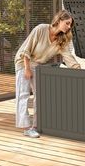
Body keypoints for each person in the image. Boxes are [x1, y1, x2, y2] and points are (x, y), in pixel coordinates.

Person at [14, 10, 81, 138]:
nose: (68, 27)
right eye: (67, 23)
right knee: (23, 94)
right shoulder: (41, 29)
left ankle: (36, 126)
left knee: (40, 96)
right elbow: (26, 49)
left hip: (37, 66)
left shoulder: (62, 40)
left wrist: (79, 71)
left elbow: (69, 58)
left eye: (70, 25)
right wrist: (27, 68)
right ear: (59, 20)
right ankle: (26, 128)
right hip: (23, 62)